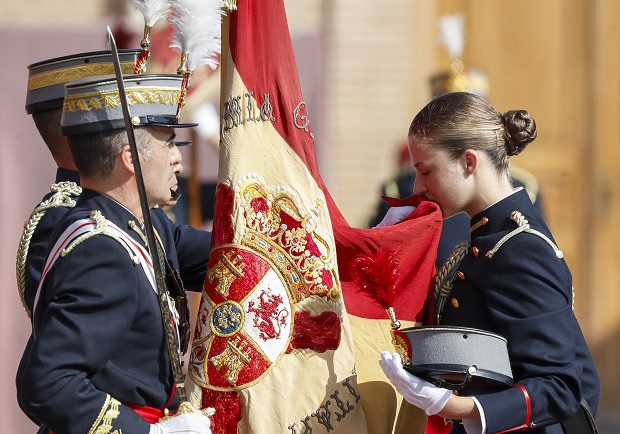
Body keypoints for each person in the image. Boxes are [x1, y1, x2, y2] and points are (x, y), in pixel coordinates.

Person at [379, 92, 600, 433]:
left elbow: (561, 386)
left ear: (469, 162)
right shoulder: (487, 237)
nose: (419, 186)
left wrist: (454, 406)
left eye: (426, 171)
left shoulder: (519, 248)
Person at [17, 73, 214, 434]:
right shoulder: (102, 251)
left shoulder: (143, 223)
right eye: (168, 144)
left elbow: (219, 255)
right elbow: (47, 382)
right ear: (130, 159)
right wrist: (151, 433)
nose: (177, 160)